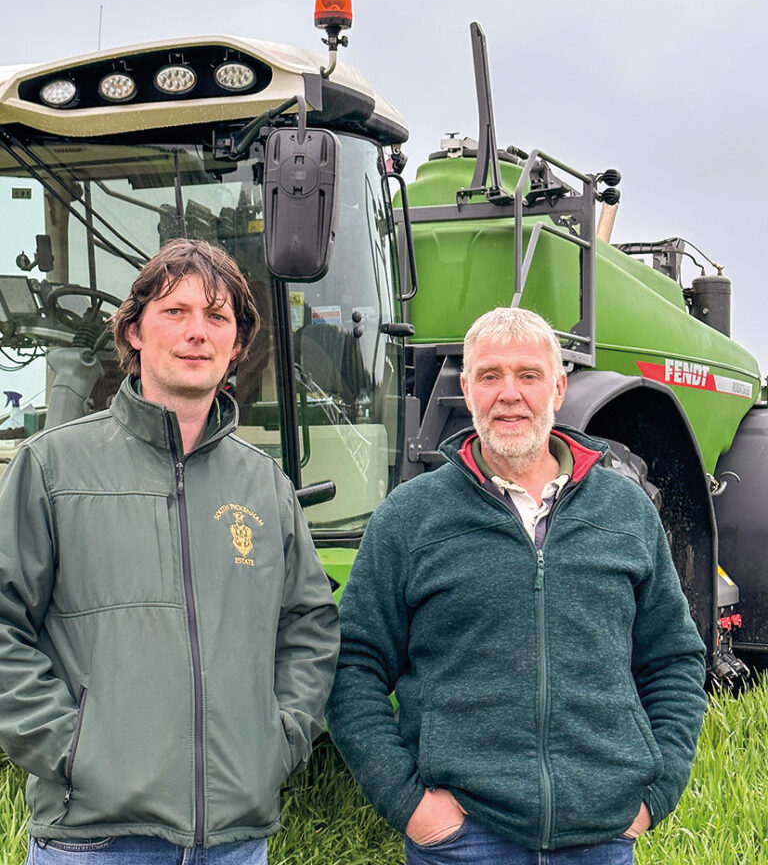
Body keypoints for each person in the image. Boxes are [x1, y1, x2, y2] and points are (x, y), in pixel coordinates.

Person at [327, 307, 707, 865]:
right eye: (490, 376)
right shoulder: (411, 517)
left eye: (528, 376)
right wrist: (410, 804)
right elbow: (352, 663)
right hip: (465, 838)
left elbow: (673, 658)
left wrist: (654, 793)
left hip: (601, 835)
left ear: (558, 387)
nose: (509, 394)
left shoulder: (624, 511)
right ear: (467, 389)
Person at [0, 239, 339, 864]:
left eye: (217, 317)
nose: (197, 333)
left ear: (237, 345)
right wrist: (70, 748)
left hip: (233, 844)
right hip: (96, 840)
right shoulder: (51, 467)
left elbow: (310, 628)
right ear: (133, 332)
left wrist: (280, 739)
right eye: (174, 312)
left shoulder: (266, 485)